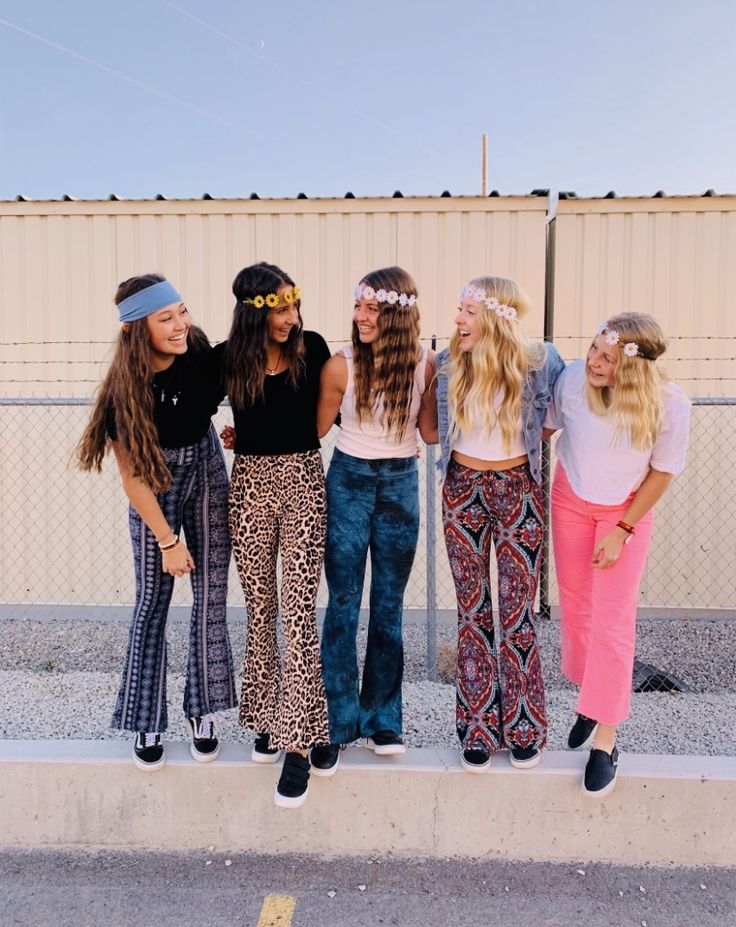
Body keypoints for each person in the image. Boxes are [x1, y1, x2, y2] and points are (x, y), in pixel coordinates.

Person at [77, 274, 237, 771]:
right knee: (153, 600)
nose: (180, 324)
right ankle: (147, 717)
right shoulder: (125, 394)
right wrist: (168, 542)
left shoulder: (200, 351)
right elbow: (133, 480)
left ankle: (204, 710)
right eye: (165, 318)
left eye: (182, 312)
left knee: (212, 595)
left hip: (208, 468)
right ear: (135, 329)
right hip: (156, 481)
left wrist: (241, 433)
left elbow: (245, 385)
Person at [547, 312, 690, 797]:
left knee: (612, 620)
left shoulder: (669, 404)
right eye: (593, 349)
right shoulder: (570, 380)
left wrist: (624, 529)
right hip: (569, 498)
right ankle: (592, 697)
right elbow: (541, 430)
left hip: (624, 511)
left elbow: (664, 472)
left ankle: (605, 740)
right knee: (576, 610)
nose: (594, 361)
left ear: (632, 367)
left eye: (607, 358)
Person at [210, 262, 330, 808]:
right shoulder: (228, 359)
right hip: (250, 484)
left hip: (304, 478)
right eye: (279, 309)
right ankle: (263, 715)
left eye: (293, 306)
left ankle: (299, 744)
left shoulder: (315, 349)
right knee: (260, 606)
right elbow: (185, 402)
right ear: (254, 313)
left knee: (298, 612)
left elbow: (332, 409)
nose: (291, 317)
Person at [433, 276, 564, 772]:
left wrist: (535, 440)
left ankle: (525, 726)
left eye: (467, 311)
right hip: (462, 488)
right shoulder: (448, 364)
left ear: (494, 315)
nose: (458, 320)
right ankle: (477, 728)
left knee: (517, 614)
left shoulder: (541, 361)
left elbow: (568, 405)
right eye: (459, 309)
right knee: (473, 611)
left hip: (519, 490)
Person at [310, 267, 436, 777]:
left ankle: (383, 718)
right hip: (349, 480)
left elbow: (428, 433)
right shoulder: (340, 367)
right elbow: (316, 428)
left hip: (402, 482)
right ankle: (338, 720)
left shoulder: (427, 364)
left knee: (388, 604)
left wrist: (444, 392)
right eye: (358, 306)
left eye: (371, 308)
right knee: (341, 602)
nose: (360, 317)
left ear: (397, 313)